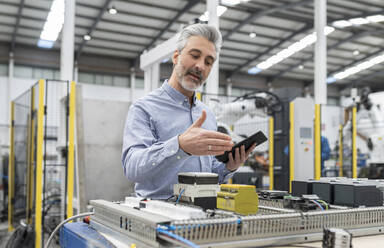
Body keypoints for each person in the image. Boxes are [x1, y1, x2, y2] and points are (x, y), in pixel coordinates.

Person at [121, 24, 256, 199]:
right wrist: (180, 146)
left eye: (208, 62)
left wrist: (229, 167)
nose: (200, 66)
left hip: (200, 214)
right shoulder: (143, 108)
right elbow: (132, 169)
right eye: (195, 55)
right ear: (176, 57)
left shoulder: (207, 115)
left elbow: (208, 171)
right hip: (156, 215)